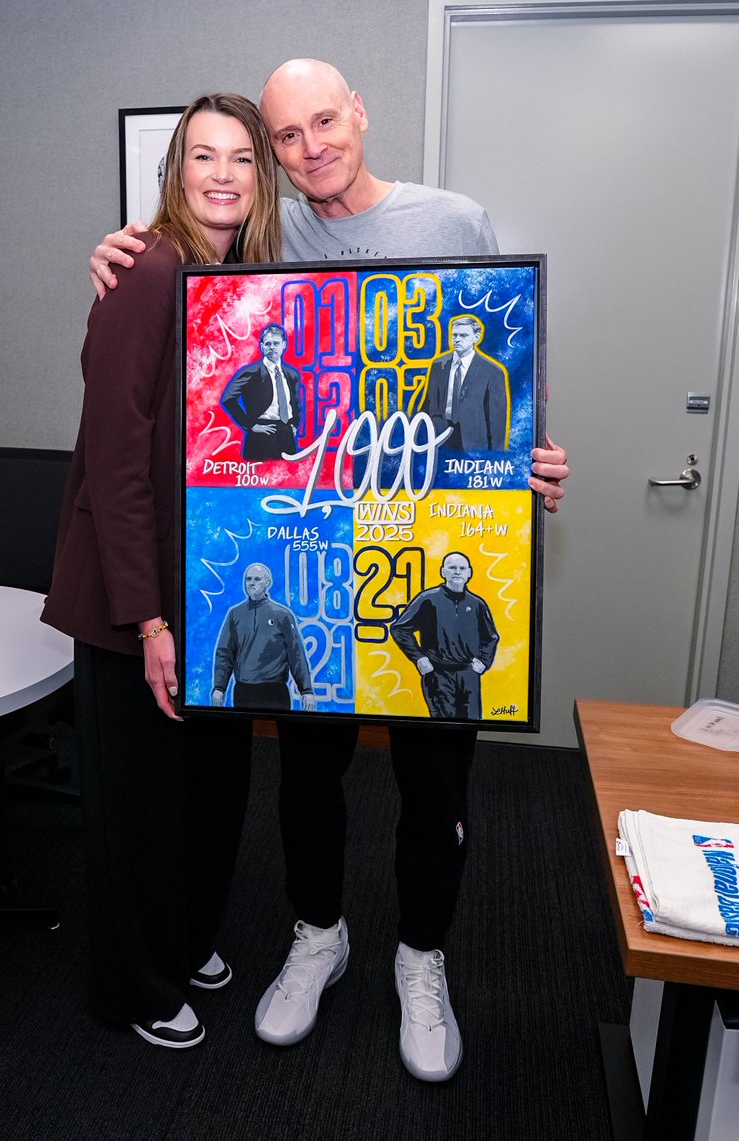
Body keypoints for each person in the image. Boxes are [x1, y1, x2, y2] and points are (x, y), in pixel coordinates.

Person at [87, 58, 570, 1083]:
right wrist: (117, 249)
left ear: (359, 111)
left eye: (323, 123)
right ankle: (318, 933)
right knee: (308, 771)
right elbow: (193, 297)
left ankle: (420, 958)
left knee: (434, 776)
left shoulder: (455, 220)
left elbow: (503, 386)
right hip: (307, 549)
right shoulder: (268, 234)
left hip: (427, 541)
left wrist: (530, 466)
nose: (310, 151)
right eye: (285, 140)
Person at [41, 94, 282, 1051]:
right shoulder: (150, 270)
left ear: (259, 180)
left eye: (240, 160)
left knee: (209, 790)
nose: (222, 175)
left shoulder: (236, 281)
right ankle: (134, 985)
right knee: (140, 808)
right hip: (134, 601)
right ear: (175, 173)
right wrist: (148, 623)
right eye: (202, 157)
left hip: (209, 589)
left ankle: (183, 940)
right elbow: (115, 459)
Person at [391, 552, 499, 720]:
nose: (457, 572)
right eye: (452, 568)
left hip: (468, 675)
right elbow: (399, 629)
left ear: (469, 573)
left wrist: (484, 661)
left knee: (471, 724)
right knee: (443, 726)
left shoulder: (477, 604)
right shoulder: (428, 600)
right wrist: (419, 658)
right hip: (438, 675)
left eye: (462, 568)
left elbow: (491, 637)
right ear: (443, 572)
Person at [211, 562, 316, 712]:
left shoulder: (283, 615)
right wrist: (219, 687)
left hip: (275, 690)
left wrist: (306, 691)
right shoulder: (235, 614)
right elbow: (224, 653)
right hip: (243, 690)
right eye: (248, 579)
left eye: (256, 579)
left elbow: (296, 654)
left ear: (267, 583)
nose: (251, 583)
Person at [423, 316, 510, 451]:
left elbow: (497, 421)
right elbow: (429, 404)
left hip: (475, 443)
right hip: (440, 439)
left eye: (463, 335)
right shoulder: (438, 365)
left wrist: (495, 457)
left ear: (476, 337)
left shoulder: (493, 372)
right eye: (454, 335)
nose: (457, 339)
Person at [220, 324, 303, 460]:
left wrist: (294, 424)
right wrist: (251, 425)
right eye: (268, 344)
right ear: (262, 347)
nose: (272, 347)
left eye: (276, 343)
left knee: (285, 476)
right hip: (261, 434)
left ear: (283, 345)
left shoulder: (291, 374)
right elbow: (228, 399)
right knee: (261, 477)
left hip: (286, 434)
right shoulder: (251, 372)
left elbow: (295, 402)